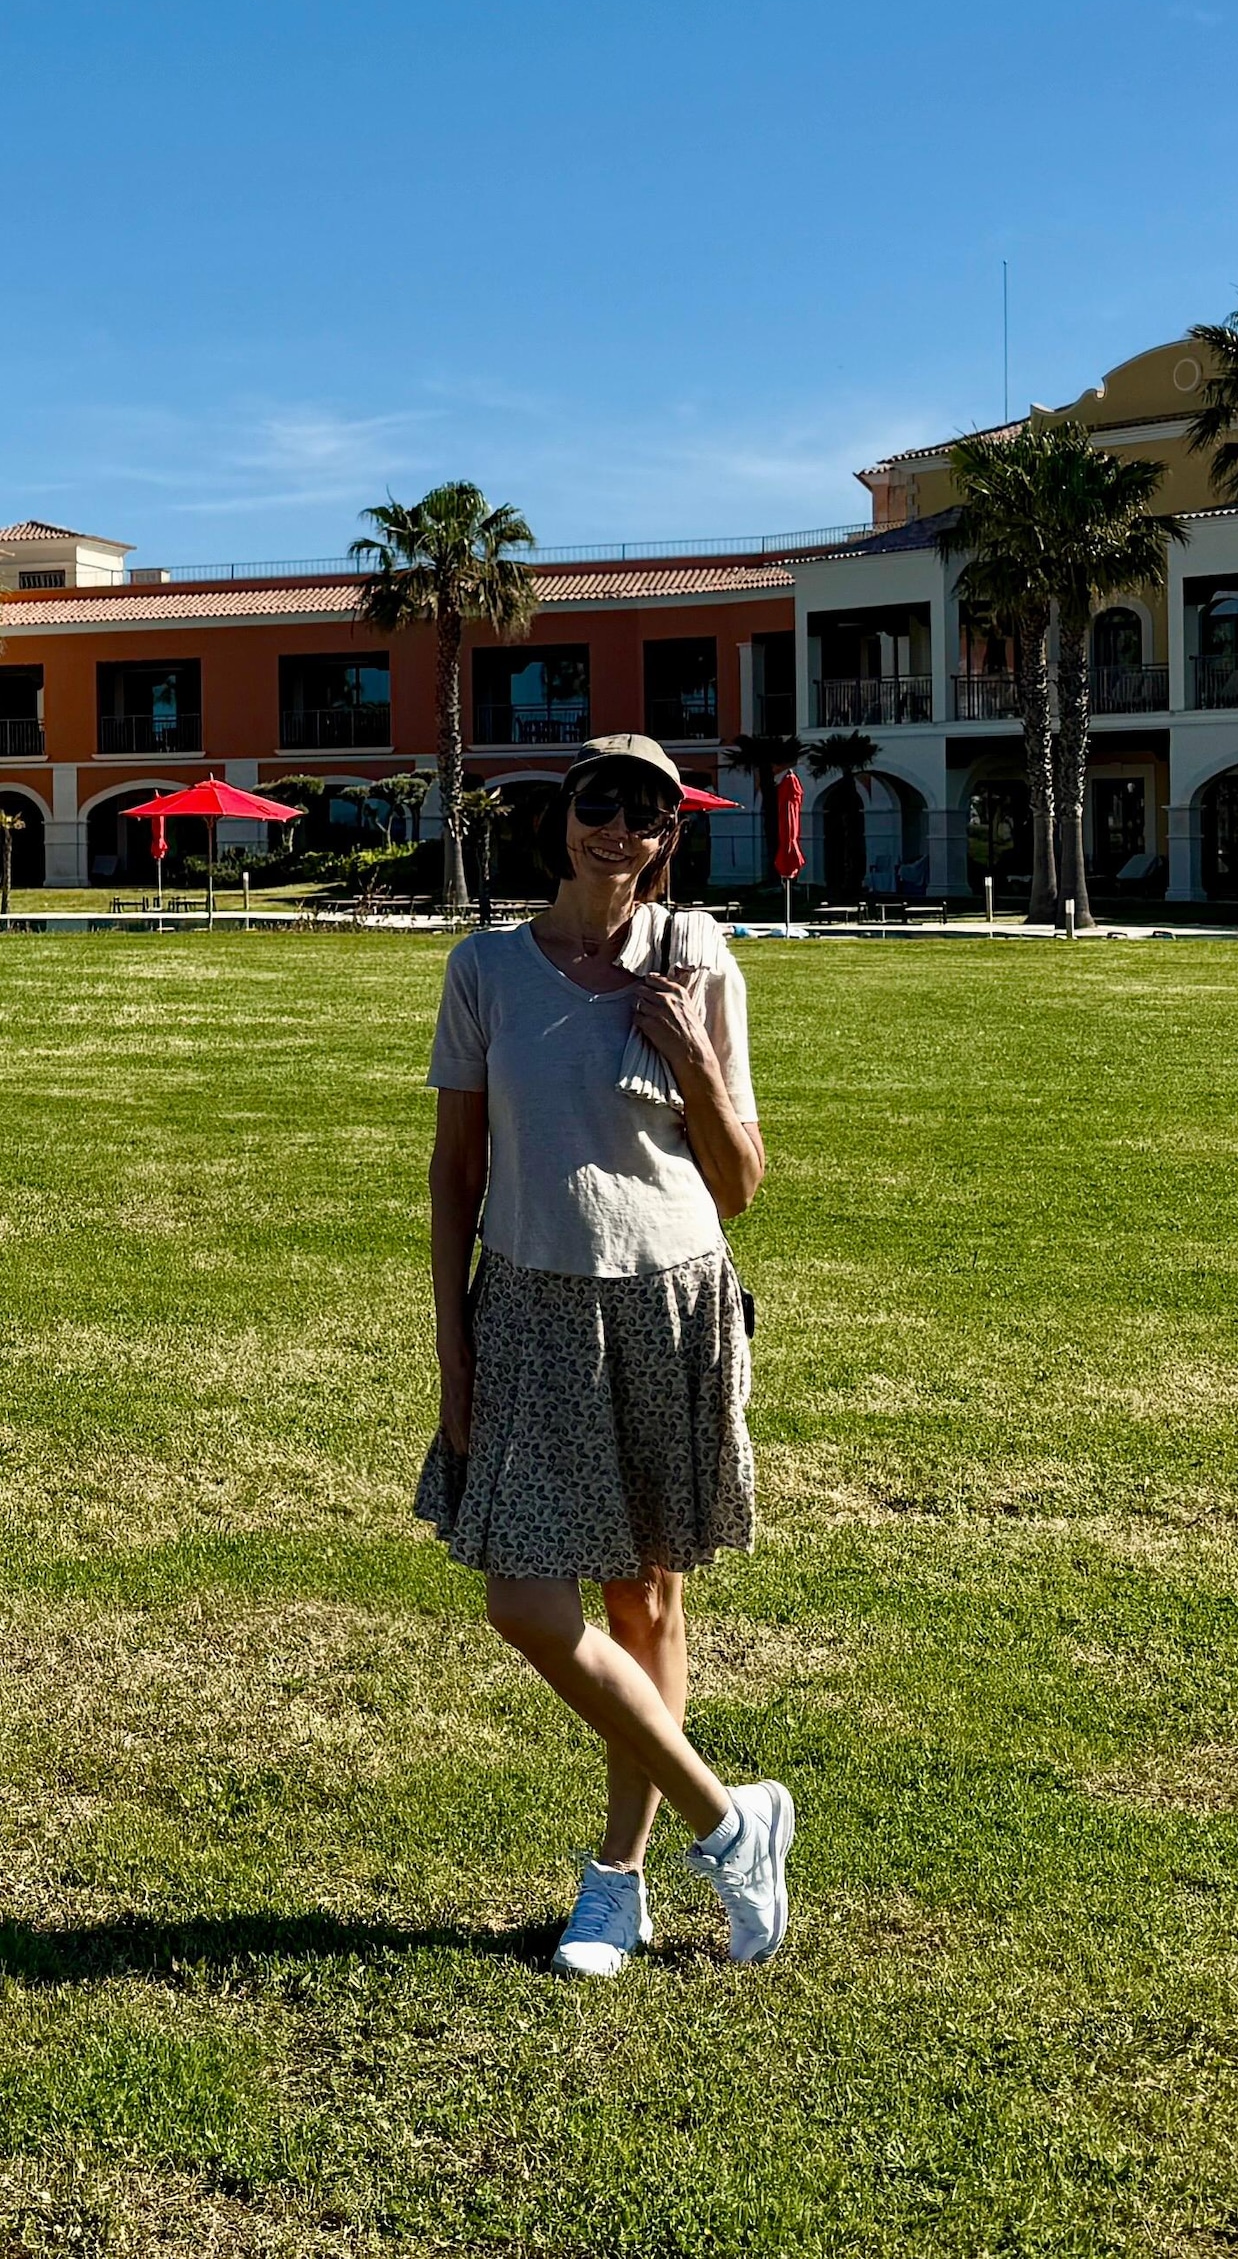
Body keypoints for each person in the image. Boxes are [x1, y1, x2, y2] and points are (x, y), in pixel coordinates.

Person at [424, 733, 797, 1975]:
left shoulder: (695, 958)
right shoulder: (485, 968)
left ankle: (617, 1881)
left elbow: (740, 1184)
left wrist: (689, 1052)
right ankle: (729, 1816)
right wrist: (452, 1349)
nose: (617, 830)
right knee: (523, 1601)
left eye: (645, 813)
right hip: (526, 1302)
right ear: (562, 816)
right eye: (598, 805)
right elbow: (455, 1171)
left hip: (667, 1296)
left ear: (666, 837)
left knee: (644, 1598)